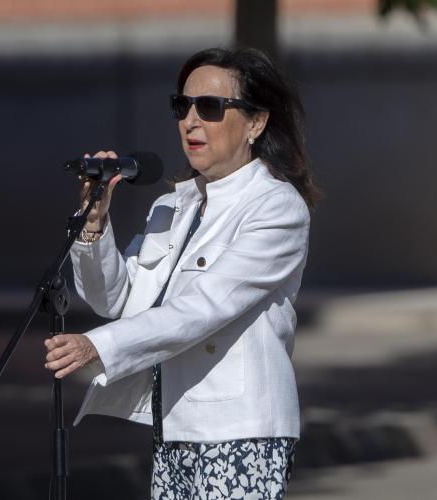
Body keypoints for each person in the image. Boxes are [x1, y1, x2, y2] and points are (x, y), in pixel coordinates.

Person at [44, 47, 319, 499]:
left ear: (256, 122)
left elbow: (203, 308)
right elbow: (113, 299)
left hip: (241, 430)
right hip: (174, 425)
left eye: (210, 107)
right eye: (182, 105)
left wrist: (99, 345)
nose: (191, 121)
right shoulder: (170, 206)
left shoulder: (276, 207)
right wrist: (94, 224)